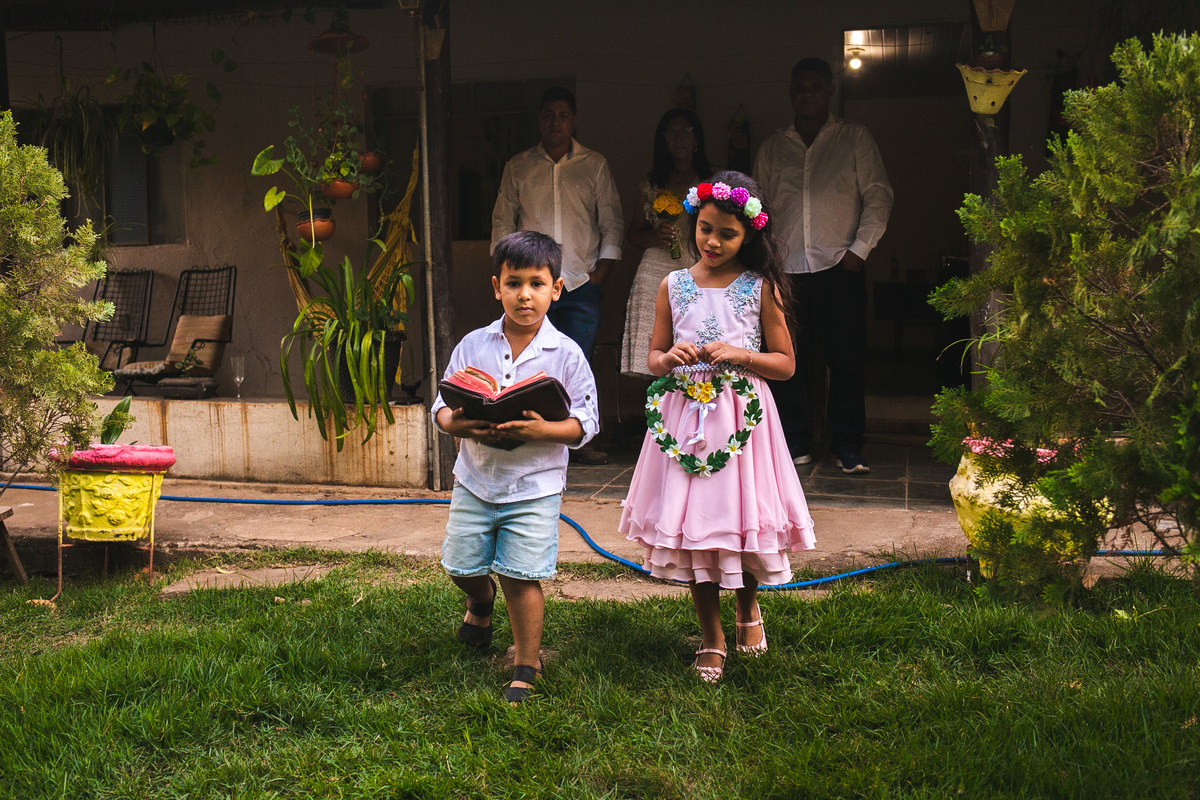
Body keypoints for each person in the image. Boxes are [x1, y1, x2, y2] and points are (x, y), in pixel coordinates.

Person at [619, 171, 816, 683]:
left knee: (740, 518)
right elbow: (655, 356)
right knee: (694, 527)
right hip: (684, 417)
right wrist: (670, 358)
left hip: (741, 421)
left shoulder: (760, 288)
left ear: (749, 235)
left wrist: (741, 354)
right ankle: (711, 635)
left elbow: (787, 364)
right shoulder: (673, 285)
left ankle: (748, 607)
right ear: (694, 222)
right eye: (705, 228)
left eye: (727, 234)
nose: (712, 241)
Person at [432, 230, 600, 704]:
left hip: (534, 484)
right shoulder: (472, 344)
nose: (524, 295)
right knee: (461, 564)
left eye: (536, 283)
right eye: (513, 283)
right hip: (476, 479)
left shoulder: (566, 354)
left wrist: (541, 430)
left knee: (521, 575)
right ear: (496, 287)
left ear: (557, 288)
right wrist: (458, 425)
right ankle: (479, 601)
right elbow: (440, 407)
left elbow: (586, 422)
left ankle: (527, 662)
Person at [753, 57, 893, 474]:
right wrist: (765, 263)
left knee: (846, 359)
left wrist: (859, 251)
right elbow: (756, 209)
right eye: (800, 86)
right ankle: (794, 442)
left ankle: (848, 445)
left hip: (841, 267)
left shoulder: (853, 138)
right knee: (787, 359)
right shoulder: (773, 147)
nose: (807, 93)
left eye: (816, 86)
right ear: (790, 92)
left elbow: (879, 196)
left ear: (829, 90)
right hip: (786, 272)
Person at [492, 86, 623, 465]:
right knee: (528, 360)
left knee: (576, 358)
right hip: (531, 284)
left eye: (563, 115)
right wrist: (507, 276)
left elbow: (611, 220)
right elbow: (503, 220)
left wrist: (602, 272)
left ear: (575, 120)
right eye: (548, 114)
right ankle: (531, 434)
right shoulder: (518, 165)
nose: (555, 122)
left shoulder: (594, 164)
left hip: (581, 283)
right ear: (539, 119)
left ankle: (572, 440)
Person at [621, 108, 714, 378]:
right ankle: (657, 415)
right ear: (663, 140)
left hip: (697, 267)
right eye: (671, 133)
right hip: (654, 272)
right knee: (657, 354)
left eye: (685, 131)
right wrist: (656, 235)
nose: (679, 138)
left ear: (697, 138)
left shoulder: (711, 181)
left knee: (696, 352)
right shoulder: (652, 183)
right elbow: (633, 235)